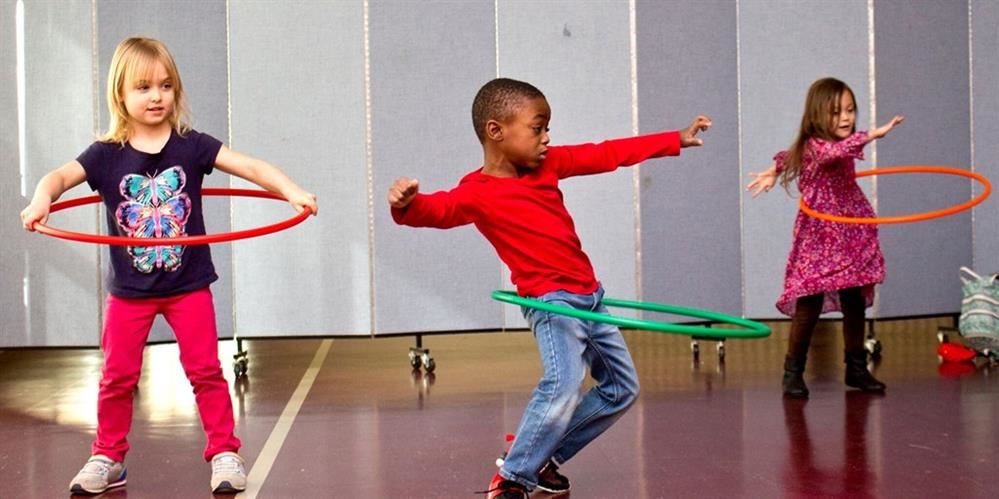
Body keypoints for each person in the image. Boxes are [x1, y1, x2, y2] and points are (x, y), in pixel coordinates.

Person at [19, 36, 317, 494]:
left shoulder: (192, 147)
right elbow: (58, 178)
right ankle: (108, 457)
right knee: (117, 376)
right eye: (142, 87)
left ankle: (224, 452)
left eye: (165, 86)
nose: (156, 96)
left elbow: (251, 168)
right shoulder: (105, 154)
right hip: (129, 293)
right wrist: (41, 199)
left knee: (205, 371)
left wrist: (292, 191)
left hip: (188, 286)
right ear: (120, 93)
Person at [388, 77, 710, 498]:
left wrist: (674, 139)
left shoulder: (548, 166)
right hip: (552, 302)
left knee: (621, 388)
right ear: (495, 131)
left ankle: (544, 460)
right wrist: (406, 203)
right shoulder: (478, 192)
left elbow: (606, 153)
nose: (546, 138)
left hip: (589, 297)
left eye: (546, 128)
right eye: (537, 128)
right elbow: (439, 209)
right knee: (562, 384)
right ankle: (512, 477)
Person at [746, 77, 903, 399]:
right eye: (836, 112)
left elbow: (787, 158)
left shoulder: (823, 146)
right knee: (809, 302)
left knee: (854, 300)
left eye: (850, 110)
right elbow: (828, 152)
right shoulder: (818, 146)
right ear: (818, 114)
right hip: (820, 236)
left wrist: (774, 170)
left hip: (851, 230)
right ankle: (793, 371)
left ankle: (857, 368)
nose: (846, 118)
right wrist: (872, 134)